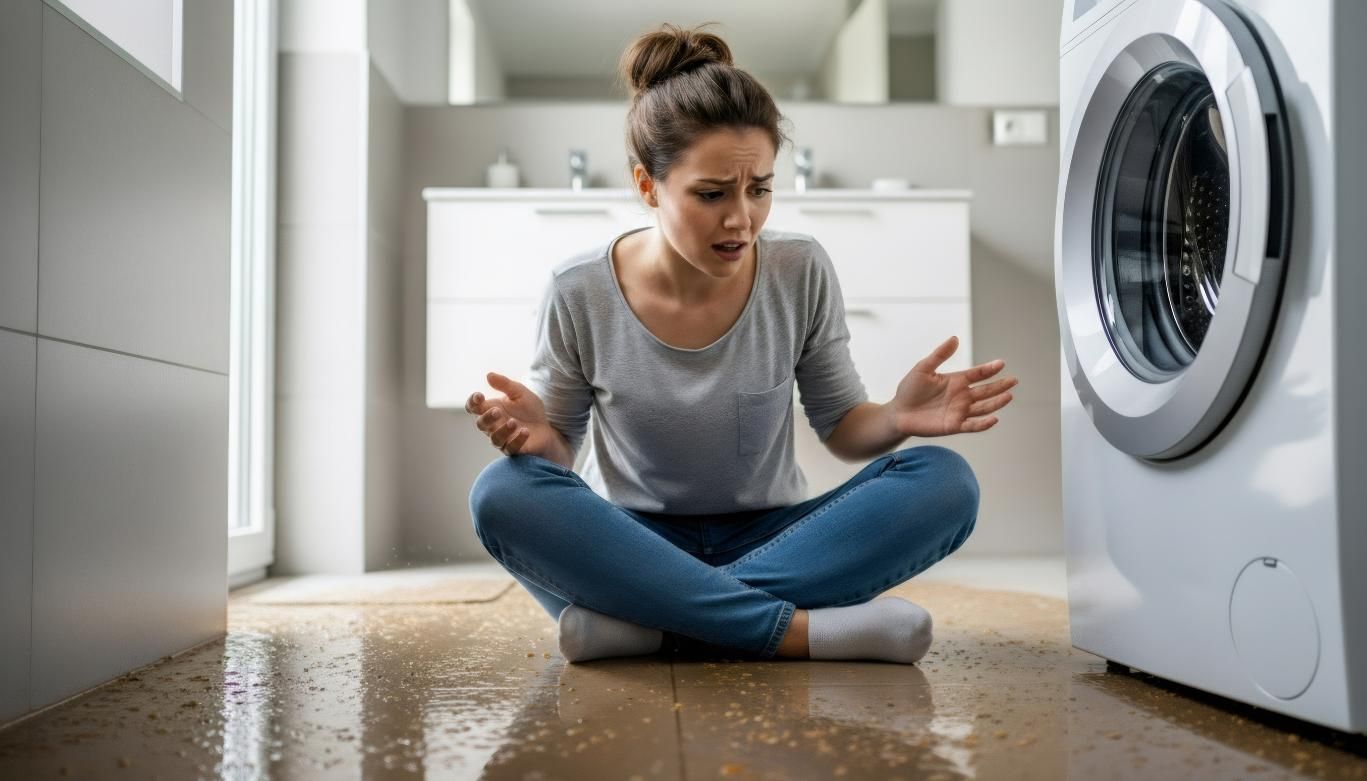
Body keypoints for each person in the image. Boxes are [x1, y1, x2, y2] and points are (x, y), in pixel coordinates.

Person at [465, 23, 1016, 664]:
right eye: (711, 194)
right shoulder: (577, 289)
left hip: (780, 536)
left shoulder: (799, 268)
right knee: (501, 493)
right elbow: (559, 455)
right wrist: (542, 443)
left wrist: (895, 417)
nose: (741, 219)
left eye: (760, 190)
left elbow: (840, 426)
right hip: (630, 541)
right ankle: (797, 631)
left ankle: (653, 626)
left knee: (945, 481)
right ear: (648, 186)